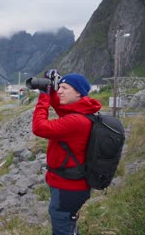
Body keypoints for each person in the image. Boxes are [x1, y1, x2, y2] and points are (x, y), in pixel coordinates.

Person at [32, 70, 101, 235]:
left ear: (78, 92)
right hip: (74, 184)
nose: (60, 91)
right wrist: (53, 91)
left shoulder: (76, 121)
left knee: (62, 228)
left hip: (67, 188)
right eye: (59, 87)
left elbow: (39, 127)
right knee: (69, 224)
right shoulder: (84, 113)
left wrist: (44, 97)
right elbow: (62, 108)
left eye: (64, 88)